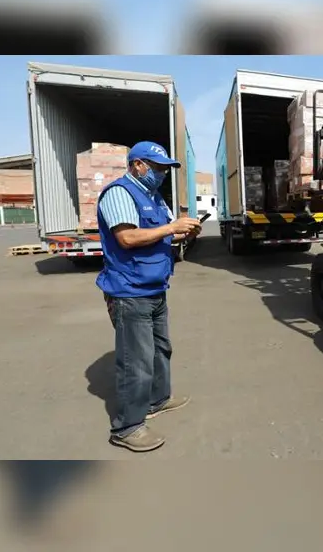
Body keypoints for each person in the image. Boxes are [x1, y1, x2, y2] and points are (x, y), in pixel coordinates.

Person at [95, 141, 203, 452]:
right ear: (138, 165)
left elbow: (165, 235)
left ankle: (157, 399)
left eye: (165, 169)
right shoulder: (120, 193)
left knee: (160, 350)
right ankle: (127, 426)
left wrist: (185, 232)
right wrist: (172, 226)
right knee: (136, 362)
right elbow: (127, 237)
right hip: (129, 291)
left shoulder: (153, 197)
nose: (162, 174)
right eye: (157, 168)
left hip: (155, 288)